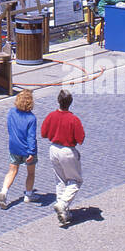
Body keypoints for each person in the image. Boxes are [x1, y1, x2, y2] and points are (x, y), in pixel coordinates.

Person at [41, 89, 86, 225]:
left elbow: (43, 133)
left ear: (58, 101)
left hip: (53, 149)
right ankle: (63, 203)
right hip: (67, 150)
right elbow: (80, 139)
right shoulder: (73, 119)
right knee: (75, 180)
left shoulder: (51, 116)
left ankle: (64, 212)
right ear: (70, 103)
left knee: (60, 179)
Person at [0, 89, 38, 208]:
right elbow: (31, 137)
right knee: (30, 173)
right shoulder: (31, 118)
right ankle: (28, 195)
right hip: (27, 151)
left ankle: (4, 192)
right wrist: (31, 152)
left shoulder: (11, 112)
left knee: (12, 171)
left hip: (14, 147)